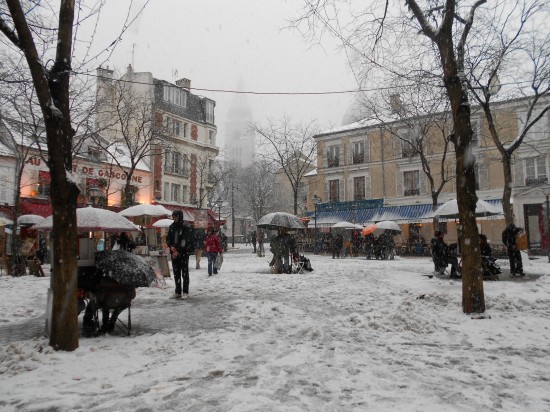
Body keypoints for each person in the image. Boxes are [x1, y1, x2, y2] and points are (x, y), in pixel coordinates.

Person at [167, 210, 195, 299]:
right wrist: (171, 247)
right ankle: (178, 291)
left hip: (183, 253)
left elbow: (185, 240)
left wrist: (178, 250)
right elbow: (168, 238)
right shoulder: (172, 226)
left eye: (176, 217)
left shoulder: (185, 226)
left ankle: (185, 291)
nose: (174, 219)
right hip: (174, 252)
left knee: (184, 273)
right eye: (173, 217)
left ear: (180, 217)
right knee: (176, 272)